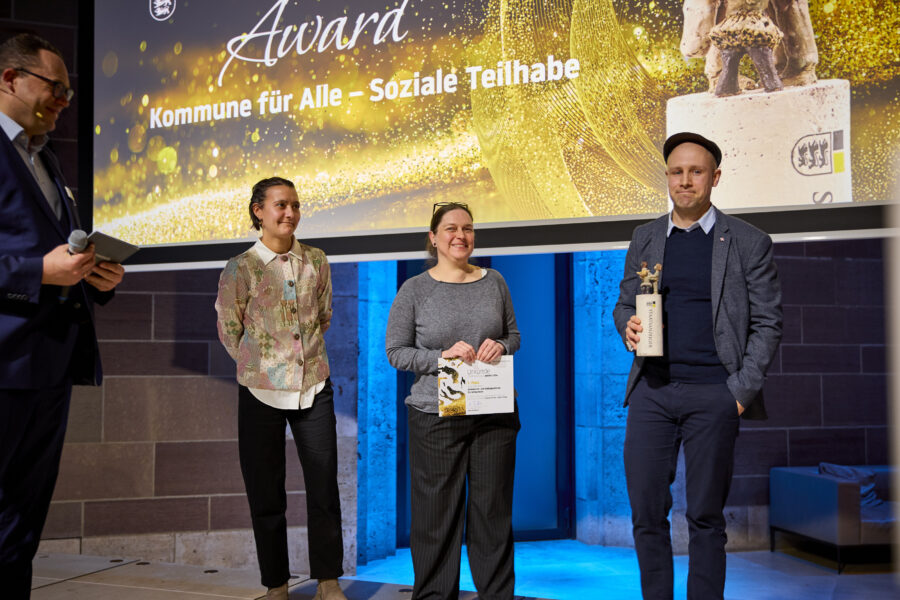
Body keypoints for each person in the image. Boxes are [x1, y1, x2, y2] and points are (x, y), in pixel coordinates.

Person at [613, 132, 782, 599]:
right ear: (667, 177)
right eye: (676, 172)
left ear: (715, 177)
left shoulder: (748, 241)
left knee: (705, 518)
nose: (685, 181)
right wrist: (627, 325)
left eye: (696, 171)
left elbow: (768, 322)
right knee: (647, 514)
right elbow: (625, 304)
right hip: (651, 392)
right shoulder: (645, 237)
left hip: (715, 393)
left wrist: (739, 393)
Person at [0, 33, 125, 597]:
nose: (64, 102)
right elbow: (36, 263)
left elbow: (57, 253)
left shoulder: (44, 157)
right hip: (5, 363)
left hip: (49, 368)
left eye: (69, 93)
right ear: (10, 78)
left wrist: (96, 278)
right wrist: (37, 271)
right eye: (56, 87)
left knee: (23, 521)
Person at [215, 177, 347, 600]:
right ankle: (276, 585)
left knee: (323, 488)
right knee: (265, 491)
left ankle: (328, 581)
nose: (289, 213)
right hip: (260, 391)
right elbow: (229, 328)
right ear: (259, 211)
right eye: (280, 205)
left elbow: (323, 315)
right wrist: (261, 364)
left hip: (313, 386)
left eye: (295, 205)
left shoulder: (316, 259)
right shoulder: (241, 267)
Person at [385, 202, 521, 600]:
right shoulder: (415, 290)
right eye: (450, 228)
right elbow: (396, 352)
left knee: (493, 513)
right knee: (436, 517)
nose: (460, 235)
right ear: (433, 238)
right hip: (435, 414)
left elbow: (514, 336)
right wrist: (441, 357)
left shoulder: (494, 281)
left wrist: (501, 346)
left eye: (467, 228)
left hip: (493, 411)